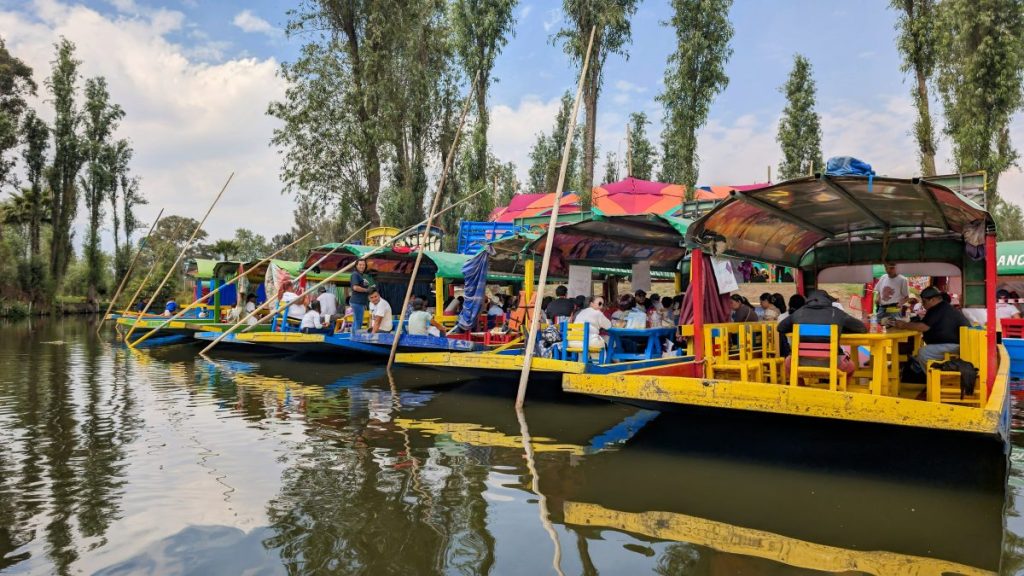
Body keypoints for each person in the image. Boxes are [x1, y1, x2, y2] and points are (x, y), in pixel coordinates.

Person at [777, 289, 866, 376]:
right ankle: (839, 389)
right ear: (828, 300)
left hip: (800, 362)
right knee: (851, 367)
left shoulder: (798, 313)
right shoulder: (837, 313)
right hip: (833, 364)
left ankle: (802, 387)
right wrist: (841, 328)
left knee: (788, 363)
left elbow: (781, 328)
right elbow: (862, 328)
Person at [886, 286, 970, 364]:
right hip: (954, 344)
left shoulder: (938, 308)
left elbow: (923, 327)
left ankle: (932, 377)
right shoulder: (942, 307)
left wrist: (903, 325)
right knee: (921, 354)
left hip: (955, 346)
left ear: (933, 300)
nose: (923, 304)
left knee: (923, 353)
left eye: (924, 301)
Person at [349, 259, 371, 334]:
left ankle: (353, 336)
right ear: (356, 266)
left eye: (363, 265)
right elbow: (355, 287)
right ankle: (356, 337)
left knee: (356, 321)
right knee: (358, 321)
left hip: (359, 302)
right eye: (360, 265)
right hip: (357, 301)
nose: (362, 266)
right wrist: (366, 290)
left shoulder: (361, 275)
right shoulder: (355, 274)